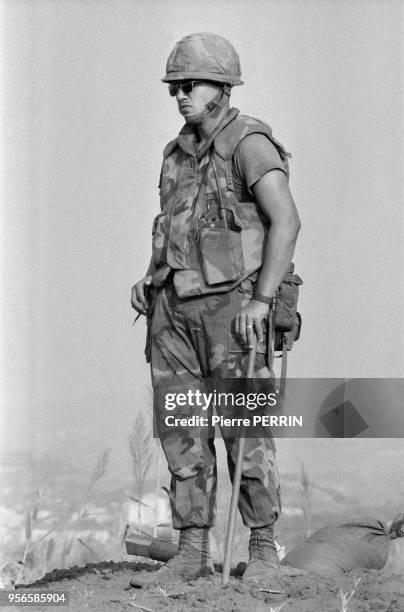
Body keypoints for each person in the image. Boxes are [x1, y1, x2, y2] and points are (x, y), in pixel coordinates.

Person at [130, 32, 301, 590]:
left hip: (233, 312)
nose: (179, 94)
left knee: (245, 430)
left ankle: (261, 549)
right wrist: (150, 278)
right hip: (173, 313)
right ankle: (191, 550)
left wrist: (262, 299)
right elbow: (178, 229)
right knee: (182, 429)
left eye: (190, 84)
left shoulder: (249, 143)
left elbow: (286, 222)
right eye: (174, 86)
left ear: (223, 88)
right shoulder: (175, 152)